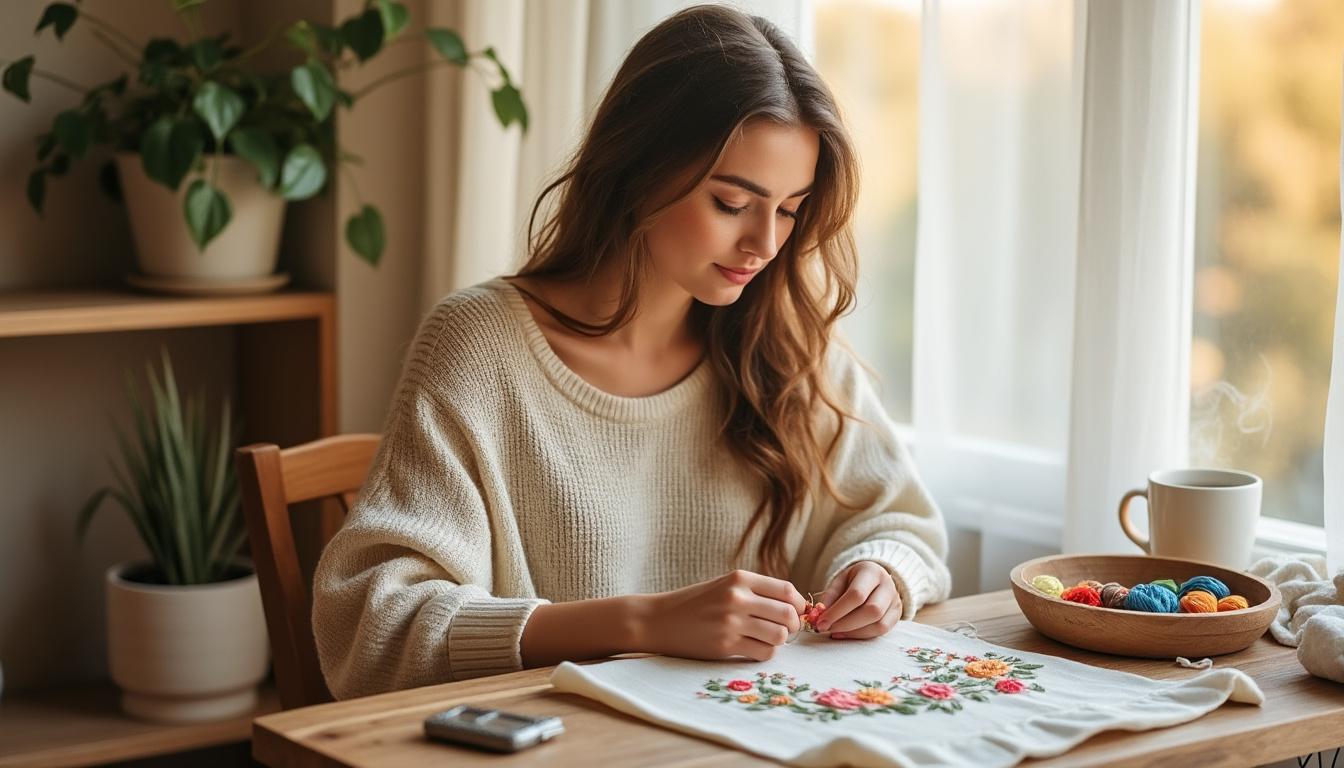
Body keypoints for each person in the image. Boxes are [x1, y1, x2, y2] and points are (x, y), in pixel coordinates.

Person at [312, 3, 951, 700]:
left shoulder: (786, 339)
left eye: (790, 208)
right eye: (733, 203)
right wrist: (644, 621)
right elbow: (374, 622)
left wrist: (880, 574)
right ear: (638, 168)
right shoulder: (481, 345)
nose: (765, 244)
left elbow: (898, 522)